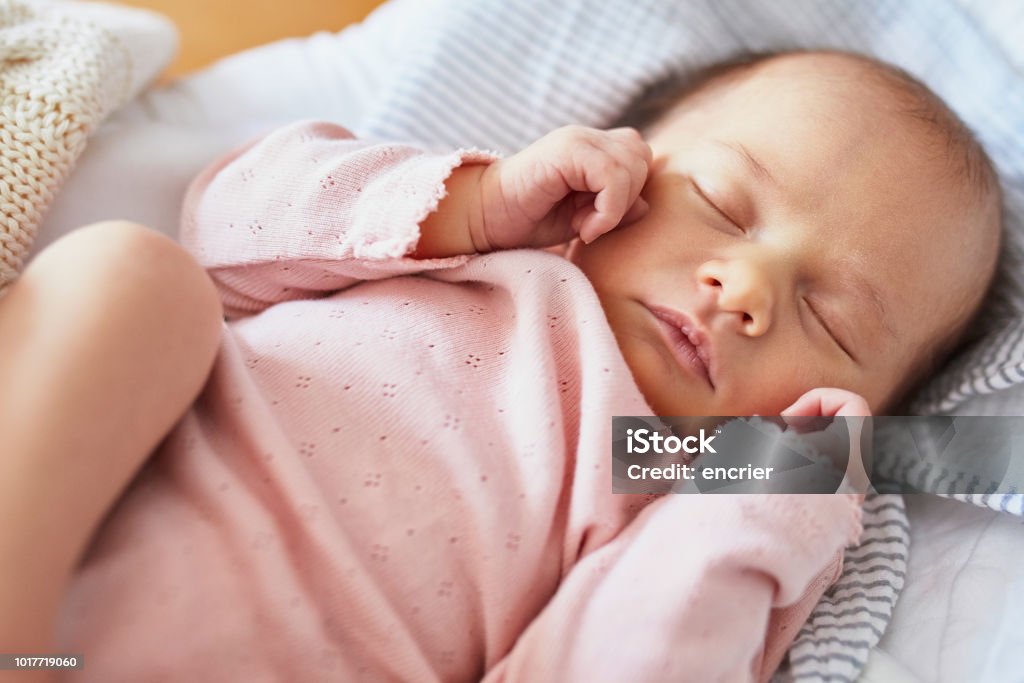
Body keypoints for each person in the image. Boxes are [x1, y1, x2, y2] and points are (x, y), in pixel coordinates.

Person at [0, 49, 1001, 682]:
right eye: (722, 202)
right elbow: (227, 225)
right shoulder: (477, 245)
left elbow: (618, 659)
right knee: (137, 276)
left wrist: (784, 489)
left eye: (830, 320)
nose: (742, 285)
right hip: (78, 509)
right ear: (615, 164)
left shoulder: (667, 482)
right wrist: (475, 201)